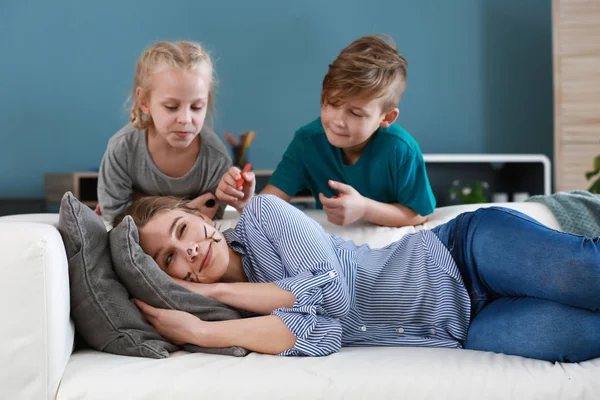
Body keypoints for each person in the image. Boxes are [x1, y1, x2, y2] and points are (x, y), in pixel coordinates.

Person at [129, 194, 600, 363]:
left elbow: (333, 292)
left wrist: (211, 287)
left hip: (461, 254)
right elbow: (323, 333)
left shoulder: (262, 217)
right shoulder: (229, 317)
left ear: (199, 214)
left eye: (182, 229)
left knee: (585, 275)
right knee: (578, 337)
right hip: (464, 328)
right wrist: (202, 330)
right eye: (168, 258)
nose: (187, 249)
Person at [216, 35, 435, 227]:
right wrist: (245, 202)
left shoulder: (401, 150)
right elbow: (268, 207)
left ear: (386, 118)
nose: (338, 121)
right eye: (331, 103)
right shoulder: (307, 141)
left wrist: (365, 209)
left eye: (356, 113)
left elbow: (419, 215)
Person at [97, 41, 231, 225]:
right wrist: (189, 207)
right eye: (171, 107)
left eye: (196, 107)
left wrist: (139, 201)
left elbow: (210, 220)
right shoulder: (123, 149)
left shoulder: (216, 159)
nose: (185, 118)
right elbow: (116, 219)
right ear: (144, 101)